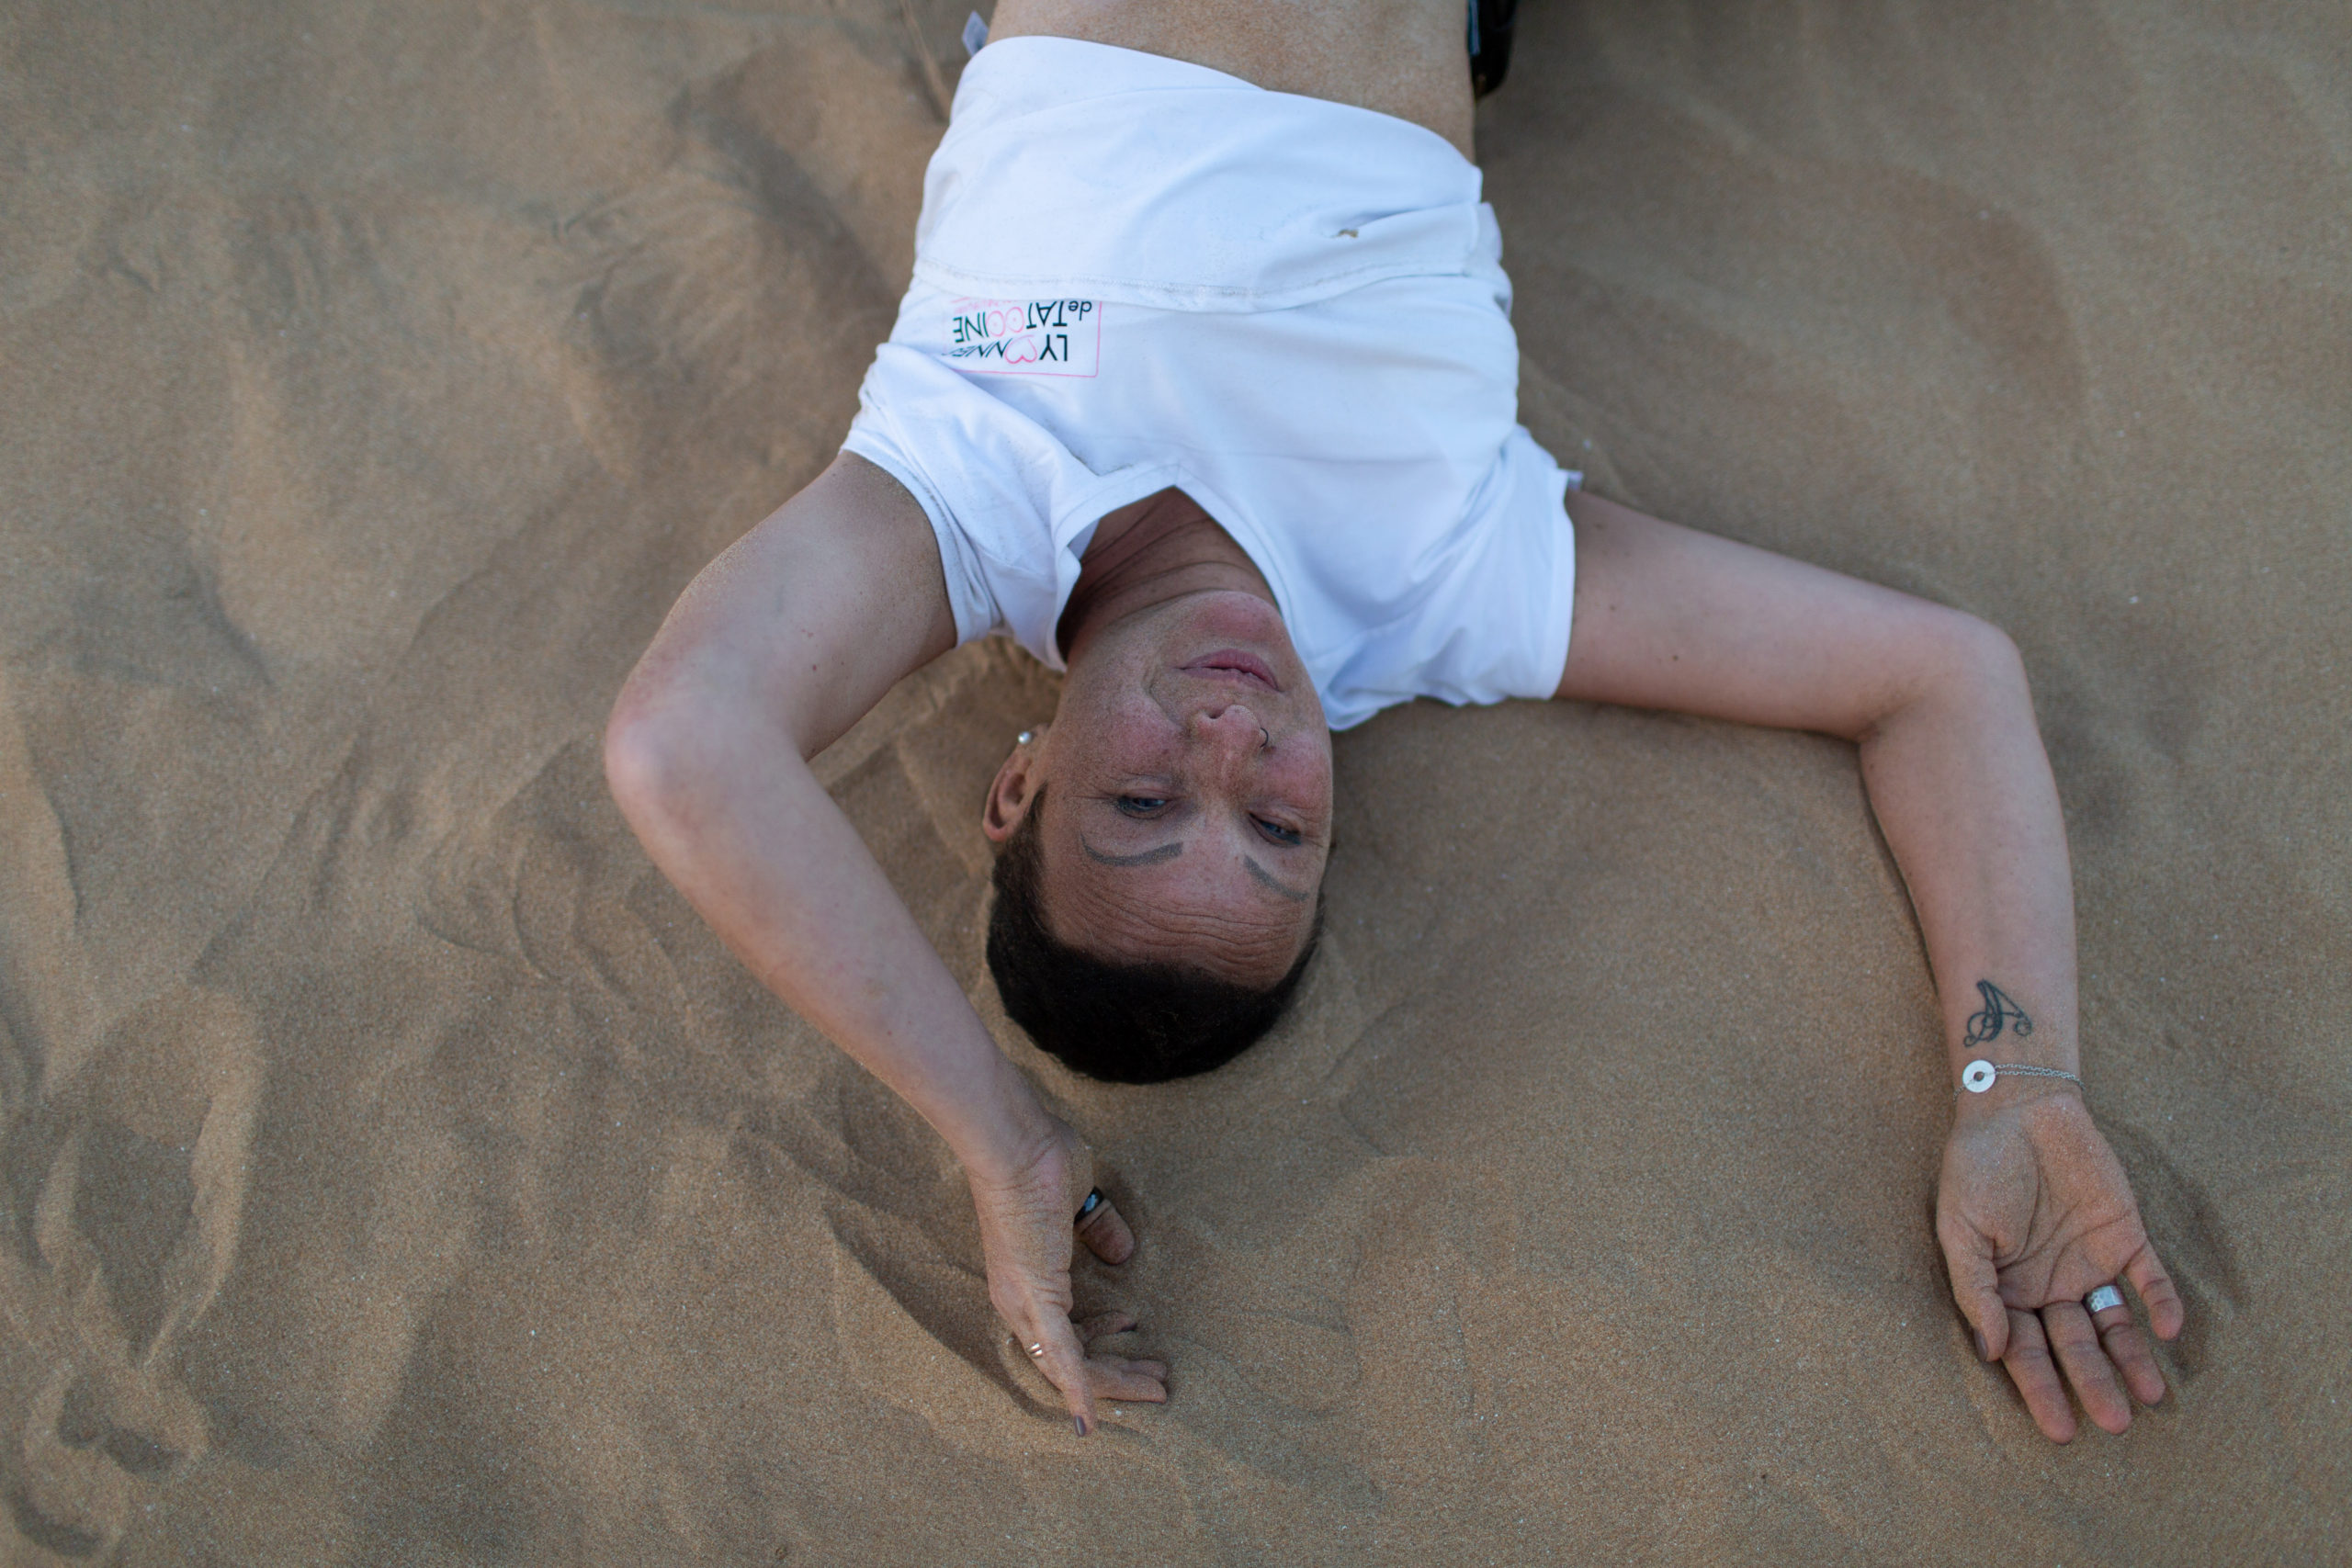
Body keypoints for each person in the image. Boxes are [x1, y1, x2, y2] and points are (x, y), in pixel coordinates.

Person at [602, 0, 2184, 1447]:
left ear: (1016, 786)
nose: (1230, 747)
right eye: (1281, 828)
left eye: (1143, 807)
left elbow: (685, 745)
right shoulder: (1453, 587)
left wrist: (1006, 1143)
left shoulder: (964, 483)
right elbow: (1941, 679)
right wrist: (2019, 1083)